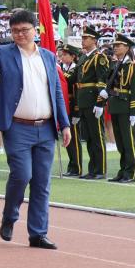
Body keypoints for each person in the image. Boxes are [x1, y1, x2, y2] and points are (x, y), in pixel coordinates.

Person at [0, 10, 71, 250]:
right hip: (17, 127)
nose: (20, 34)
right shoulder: (5, 53)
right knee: (22, 175)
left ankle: (38, 233)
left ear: (35, 30)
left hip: (46, 128)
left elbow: (56, 92)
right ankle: (10, 215)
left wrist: (64, 124)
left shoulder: (48, 57)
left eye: (24, 30)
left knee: (42, 183)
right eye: (15, 31)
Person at [73, 26, 109, 180]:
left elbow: (102, 82)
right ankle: (92, 169)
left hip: (93, 100)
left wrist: (100, 103)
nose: (83, 41)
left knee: (97, 136)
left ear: (94, 40)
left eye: (85, 38)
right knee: (88, 137)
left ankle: (100, 169)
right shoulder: (83, 57)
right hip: (83, 100)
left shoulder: (99, 57)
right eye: (82, 38)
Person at [105, 34, 135, 183]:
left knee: (128, 141)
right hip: (115, 106)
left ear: (126, 48)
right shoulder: (116, 65)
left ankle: (130, 172)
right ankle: (123, 170)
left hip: (126, 107)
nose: (115, 48)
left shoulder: (132, 66)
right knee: (120, 142)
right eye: (114, 46)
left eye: (118, 46)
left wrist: (134, 112)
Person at [57, 43, 82, 177]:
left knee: (74, 138)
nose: (62, 57)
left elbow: (76, 90)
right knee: (67, 138)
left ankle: (77, 166)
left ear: (73, 57)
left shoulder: (76, 69)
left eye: (65, 55)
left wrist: (77, 111)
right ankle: (72, 165)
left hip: (72, 106)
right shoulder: (63, 68)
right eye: (62, 55)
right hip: (64, 105)